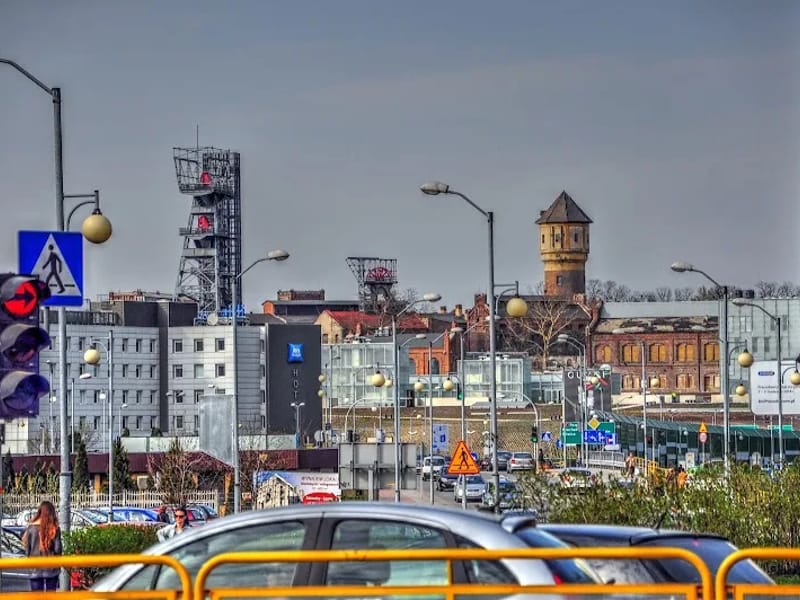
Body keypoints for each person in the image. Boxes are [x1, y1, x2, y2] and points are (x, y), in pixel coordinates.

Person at [22, 500, 63, 591]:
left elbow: (27, 551)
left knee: (37, 596)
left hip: (35, 567)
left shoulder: (31, 528)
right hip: (51, 567)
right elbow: (58, 549)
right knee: (51, 595)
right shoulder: (55, 529)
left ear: (39, 512)